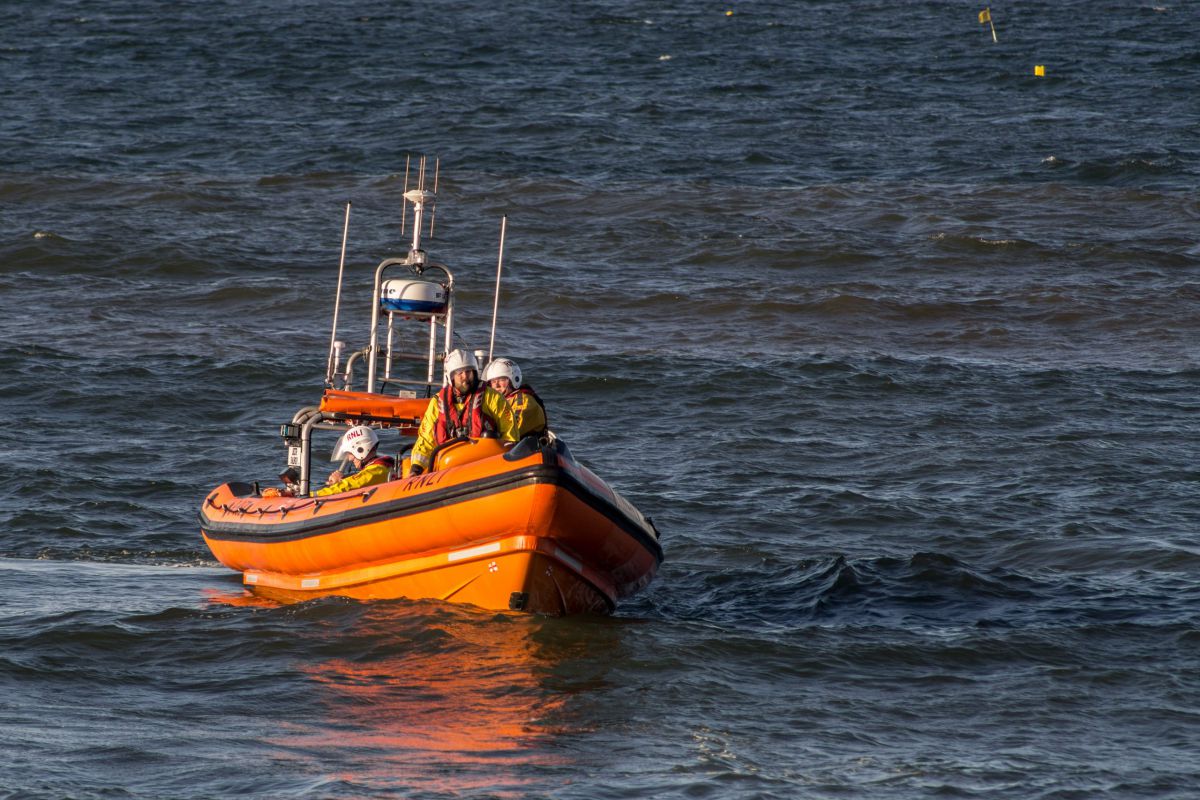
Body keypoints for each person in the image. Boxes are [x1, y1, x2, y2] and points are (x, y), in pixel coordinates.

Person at [408, 349, 516, 476]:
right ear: (451, 377)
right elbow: (426, 441)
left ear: (475, 373)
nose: (465, 376)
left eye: (468, 372)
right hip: (447, 470)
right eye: (459, 373)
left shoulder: (493, 398)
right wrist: (416, 469)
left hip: (485, 465)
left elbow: (510, 435)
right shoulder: (437, 403)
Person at [314, 425, 394, 496]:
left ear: (361, 449)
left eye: (350, 453)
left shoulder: (376, 471)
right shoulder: (379, 467)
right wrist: (340, 480)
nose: (350, 458)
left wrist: (313, 494)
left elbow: (349, 485)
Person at [482, 356, 547, 439]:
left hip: (524, 447)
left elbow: (513, 428)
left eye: (501, 380)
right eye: (493, 381)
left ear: (513, 379)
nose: (496, 385)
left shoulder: (523, 401)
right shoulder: (497, 401)